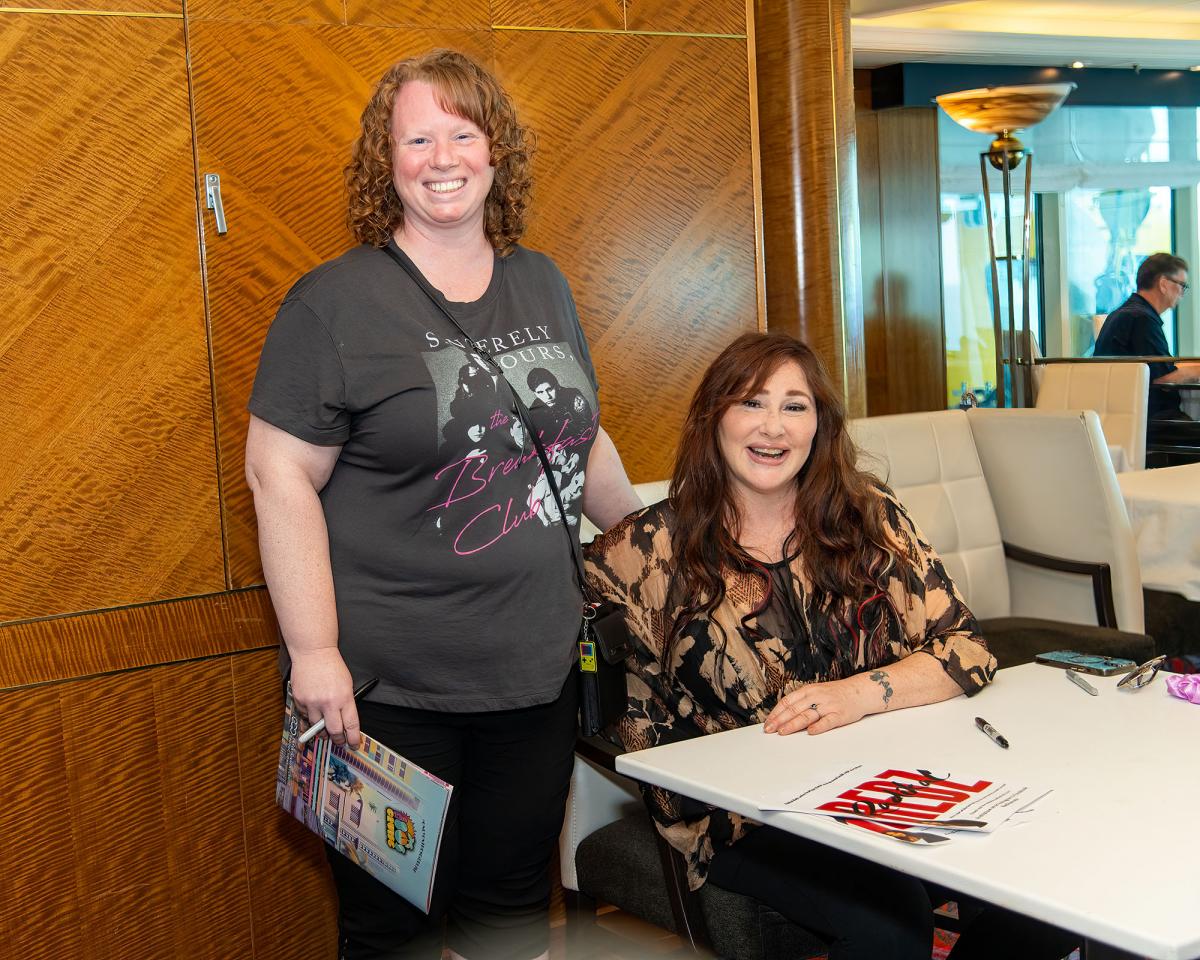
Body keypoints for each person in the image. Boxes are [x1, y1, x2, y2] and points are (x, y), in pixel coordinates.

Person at [244, 49, 641, 960]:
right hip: (384, 694)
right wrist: (314, 653)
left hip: (536, 676)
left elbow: (576, 436)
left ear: (498, 151)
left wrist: (650, 534)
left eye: (463, 134)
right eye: (417, 139)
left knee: (511, 919)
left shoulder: (542, 281)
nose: (442, 158)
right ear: (385, 162)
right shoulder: (333, 304)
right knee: (395, 932)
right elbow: (278, 476)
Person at [585, 332, 1078, 960]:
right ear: (714, 416)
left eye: (795, 406)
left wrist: (857, 695)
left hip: (888, 779)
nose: (773, 427)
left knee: (1056, 875)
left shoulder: (867, 517)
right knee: (890, 924)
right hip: (748, 816)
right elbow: (570, 657)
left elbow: (967, 650)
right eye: (751, 402)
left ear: (819, 424)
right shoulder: (647, 551)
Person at [1094, 252, 1200, 424]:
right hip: (1150, 421)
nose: (1182, 293)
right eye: (1182, 285)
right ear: (1163, 284)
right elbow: (1161, 379)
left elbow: (1154, 369)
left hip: (1125, 416)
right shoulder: (1141, 319)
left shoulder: (1127, 313)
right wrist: (1195, 371)